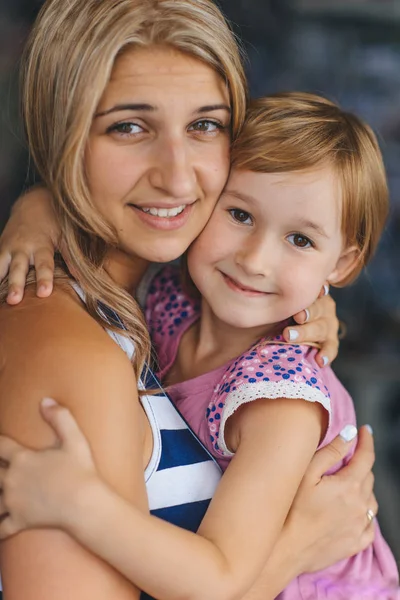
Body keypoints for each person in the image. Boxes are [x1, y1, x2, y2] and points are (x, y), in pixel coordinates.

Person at [0, 84, 386, 600]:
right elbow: (94, 210)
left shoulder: (280, 402)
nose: (254, 259)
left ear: (341, 264)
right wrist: (35, 207)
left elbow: (214, 581)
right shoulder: (172, 295)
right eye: (240, 214)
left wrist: (79, 503)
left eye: (300, 239)